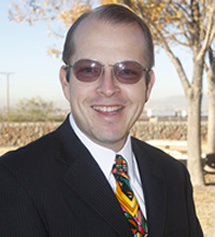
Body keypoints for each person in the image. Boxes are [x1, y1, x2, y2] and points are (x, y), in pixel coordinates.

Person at [0, 4, 203, 237]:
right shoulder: (15, 179)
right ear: (66, 82)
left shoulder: (173, 176)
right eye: (89, 70)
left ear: (148, 85)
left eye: (127, 71)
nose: (108, 88)